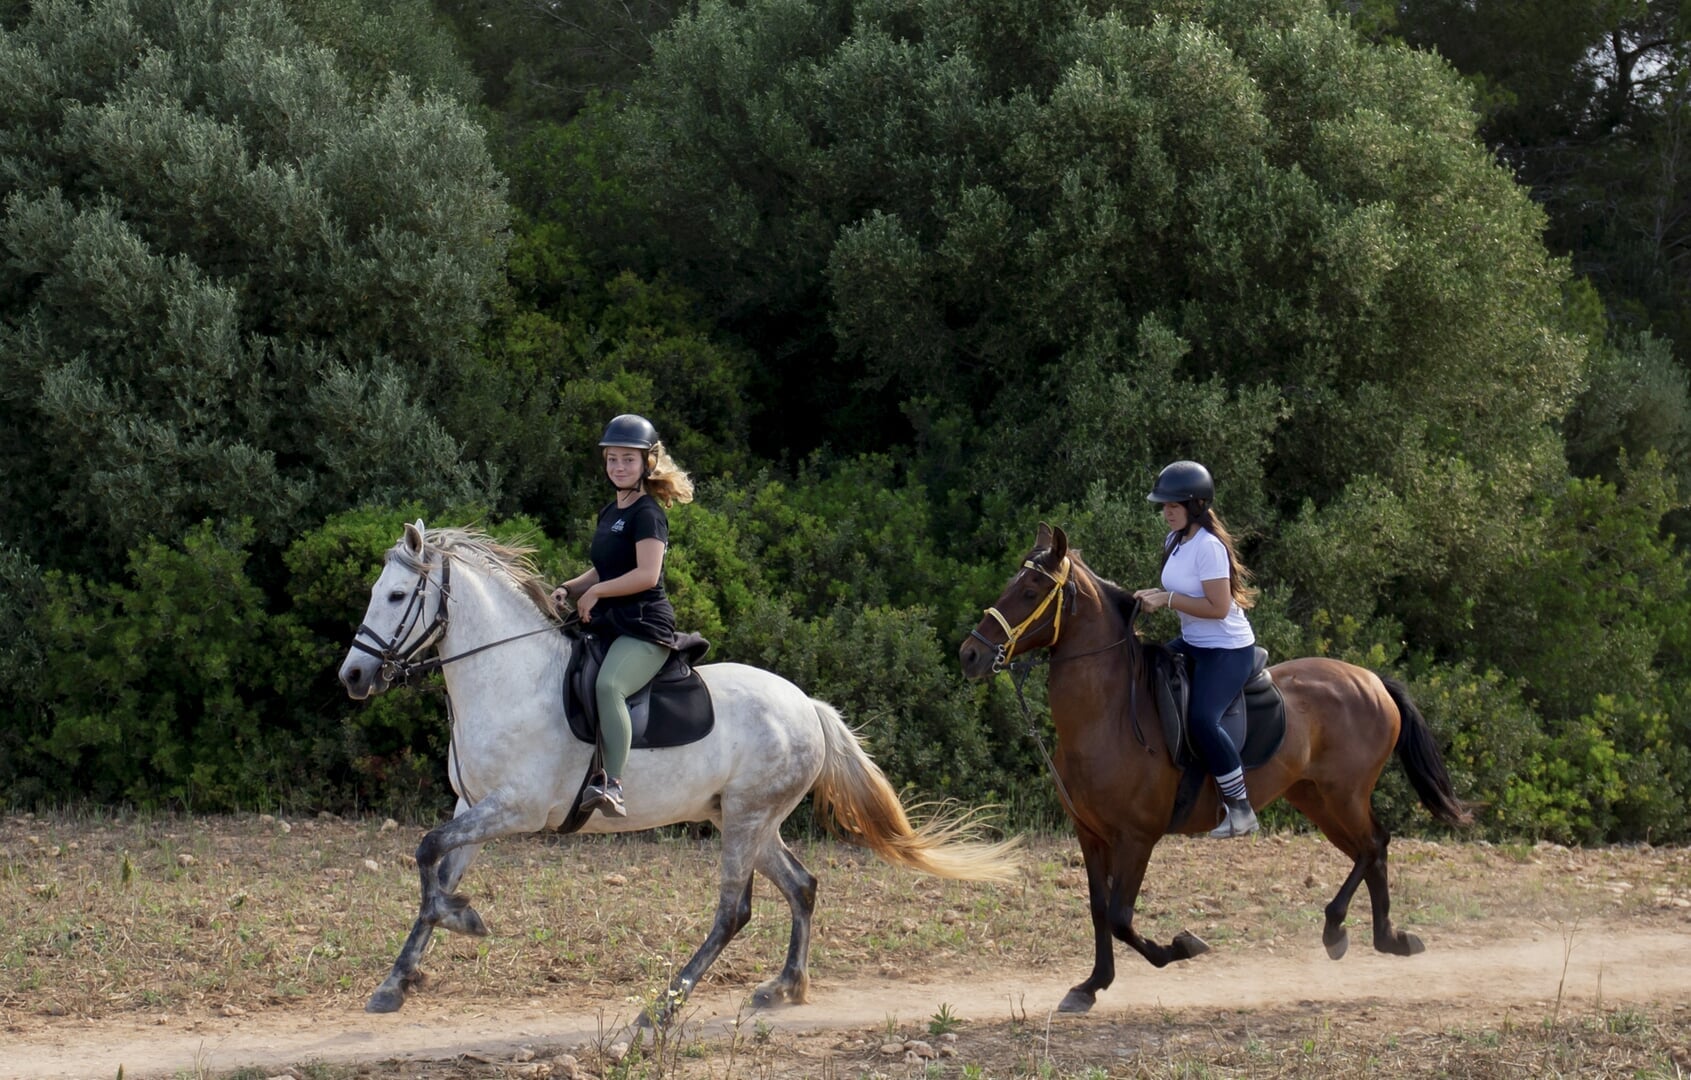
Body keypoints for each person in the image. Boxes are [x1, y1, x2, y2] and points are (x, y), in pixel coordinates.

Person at [551, 414, 694, 818]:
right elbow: (605, 568)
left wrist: (595, 592)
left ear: (646, 464)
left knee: (609, 685)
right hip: (611, 619)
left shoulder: (648, 513)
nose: (618, 467)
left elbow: (646, 575)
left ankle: (612, 782)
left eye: (627, 460)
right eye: (612, 459)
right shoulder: (610, 510)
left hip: (644, 625)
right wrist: (572, 587)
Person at [1133, 460, 1261, 839]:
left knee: (1204, 719)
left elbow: (1218, 608)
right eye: (1164, 505)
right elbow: (1180, 592)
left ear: (1196, 506)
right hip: (1193, 642)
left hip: (1227, 649)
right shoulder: (1174, 541)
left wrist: (1168, 599)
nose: (1166, 512)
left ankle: (1240, 809)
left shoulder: (1210, 548)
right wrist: (1150, 596)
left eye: (1173, 505)